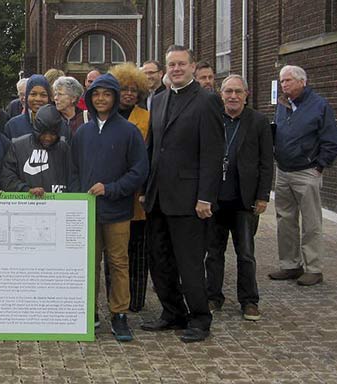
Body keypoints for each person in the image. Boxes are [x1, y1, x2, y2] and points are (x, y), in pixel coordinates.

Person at [140, 45, 224, 343]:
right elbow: (152, 148)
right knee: (160, 260)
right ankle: (172, 312)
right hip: (158, 197)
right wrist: (144, 189)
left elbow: (213, 153)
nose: (176, 69)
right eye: (171, 65)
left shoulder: (207, 101)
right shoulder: (159, 101)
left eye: (181, 64)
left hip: (189, 199)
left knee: (189, 263)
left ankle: (200, 318)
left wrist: (206, 197)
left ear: (191, 67)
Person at [71, 73, 148, 341]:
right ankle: (89, 312)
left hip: (117, 211)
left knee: (118, 263)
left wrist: (112, 189)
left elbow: (139, 170)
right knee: (89, 263)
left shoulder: (129, 131)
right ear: (89, 99)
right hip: (88, 212)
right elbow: (74, 170)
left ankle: (119, 314)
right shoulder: (82, 132)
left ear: (115, 98)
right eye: (96, 94)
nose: (101, 98)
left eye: (106, 94)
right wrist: (78, 199)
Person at [205, 74, 273, 321]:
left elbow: (266, 162)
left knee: (245, 253)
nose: (232, 96)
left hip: (244, 201)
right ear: (220, 94)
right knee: (213, 253)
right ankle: (213, 296)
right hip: (215, 200)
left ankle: (249, 301)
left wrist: (263, 195)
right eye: (228, 92)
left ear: (246, 95)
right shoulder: (213, 120)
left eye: (237, 92)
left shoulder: (258, 121)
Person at [268, 65, 337, 286]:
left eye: (288, 80)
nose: (284, 84)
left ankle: (314, 268)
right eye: (282, 81)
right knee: (285, 220)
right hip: (283, 171)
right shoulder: (282, 105)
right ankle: (290, 265)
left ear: (302, 82)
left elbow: (330, 140)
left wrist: (318, 166)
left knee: (311, 222)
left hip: (307, 171)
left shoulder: (319, 106)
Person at [107, 62, 151, 313]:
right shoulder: (105, 117)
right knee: (114, 253)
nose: (128, 94)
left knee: (138, 250)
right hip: (112, 192)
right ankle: (115, 297)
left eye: (134, 90)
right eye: (123, 89)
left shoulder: (147, 117)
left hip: (137, 193)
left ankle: (136, 299)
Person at [1, 104, 72, 195]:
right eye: (43, 133)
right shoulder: (18, 147)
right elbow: (7, 177)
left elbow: (73, 178)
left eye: (53, 134)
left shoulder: (64, 149)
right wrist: (26, 190)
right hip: (27, 205)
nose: (48, 138)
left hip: (58, 204)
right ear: (36, 129)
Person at [5, 74, 66, 140]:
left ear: (49, 98)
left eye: (43, 95)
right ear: (27, 96)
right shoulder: (13, 126)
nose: (38, 99)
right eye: (33, 94)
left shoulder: (62, 126)